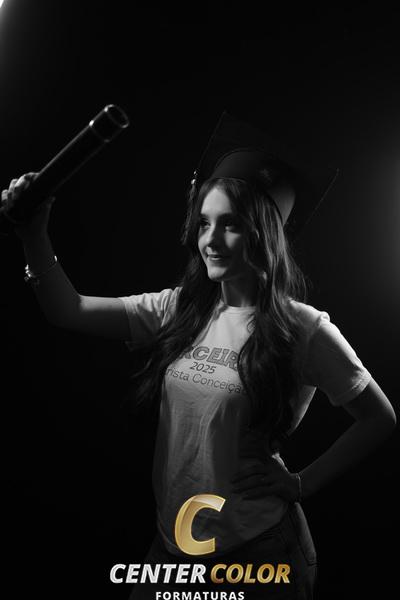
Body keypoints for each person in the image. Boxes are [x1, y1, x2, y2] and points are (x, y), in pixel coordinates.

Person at [1, 111, 396, 600]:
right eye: (204, 222)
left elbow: (379, 418)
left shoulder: (304, 329)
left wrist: (301, 483)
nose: (210, 240)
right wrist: (34, 236)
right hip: (174, 543)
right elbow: (69, 310)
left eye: (230, 225)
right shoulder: (179, 309)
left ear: (265, 233)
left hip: (257, 549)